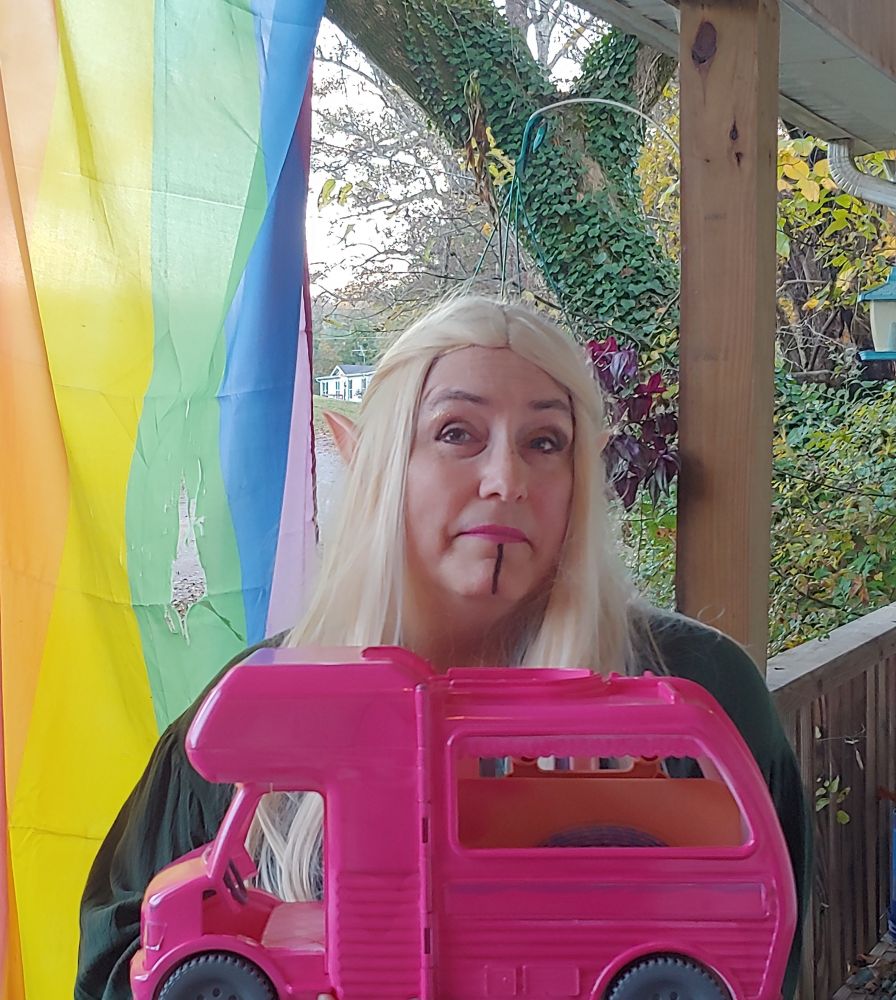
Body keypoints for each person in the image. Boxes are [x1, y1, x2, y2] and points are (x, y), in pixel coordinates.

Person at [76, 295, 810, 1000]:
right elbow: (119, 962)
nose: (506, 480)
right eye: (456, 433)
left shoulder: (698, 686)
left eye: (544, 442)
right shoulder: (261, 699)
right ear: (368, 459)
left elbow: (759, 957)